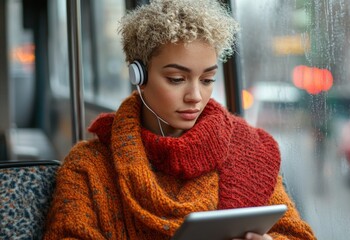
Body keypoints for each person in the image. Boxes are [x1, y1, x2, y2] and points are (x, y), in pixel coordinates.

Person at [43, 0, 316, 239]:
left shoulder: (248, 152)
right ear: (138, 76)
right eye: (176, 79)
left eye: (207, 80)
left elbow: (295, 234)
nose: (196, 96)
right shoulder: (88, 168)